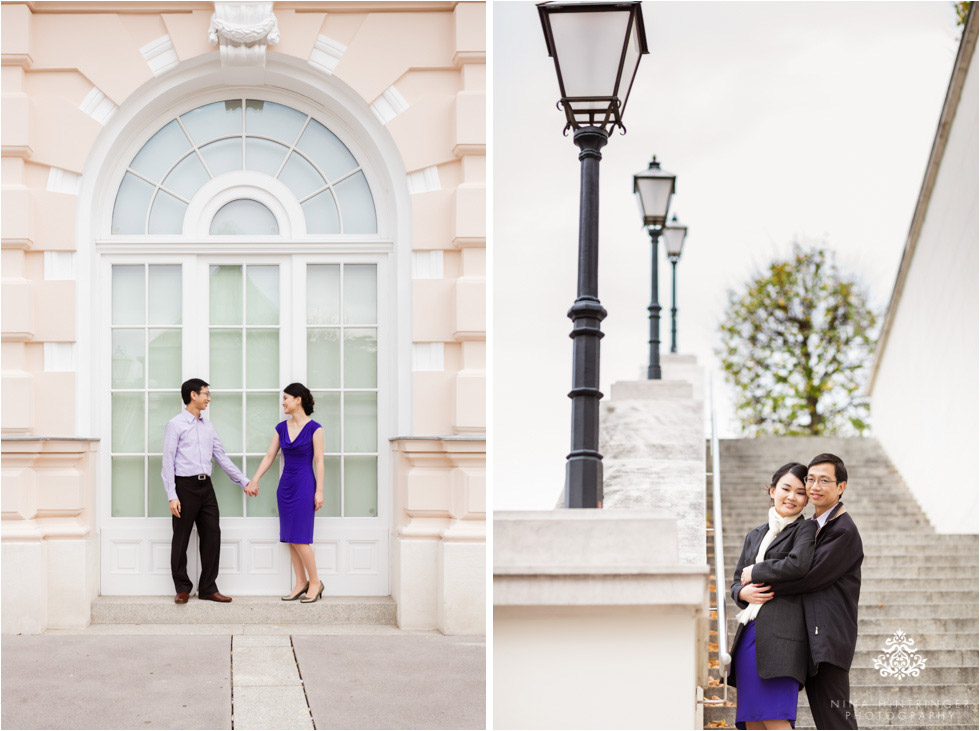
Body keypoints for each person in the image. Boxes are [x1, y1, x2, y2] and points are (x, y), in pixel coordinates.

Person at [751, 453, 863, 730]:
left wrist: (757, 575)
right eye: (811, 479)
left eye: (824, 480)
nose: (815, 486)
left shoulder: (843, 530)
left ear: (841, 487)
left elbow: (809, 577)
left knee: (837, 719)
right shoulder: (815, 525)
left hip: (830, 639)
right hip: (811, 636)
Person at [728, 462, 817, 730]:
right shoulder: (754, 535)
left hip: (783, 639)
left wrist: (756, 571)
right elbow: (735, 582)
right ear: (772, 490)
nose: (791, 497)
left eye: (800, 492)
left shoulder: (806, 530)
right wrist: (742, 591)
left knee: (775, 719)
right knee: (753, 721)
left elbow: (798, 565)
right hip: (749, 633)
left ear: (806, 499)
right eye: (785, 488)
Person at [162, 378, 256, 604]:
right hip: (184, 487)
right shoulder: (175, 425)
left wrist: (243, 481)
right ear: (193, 395)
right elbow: (167, 462)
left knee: (212, 536)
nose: (208, 398)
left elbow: (221, 457)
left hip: (206, 488)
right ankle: (182, 587)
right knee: (181, 538)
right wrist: (172, 495)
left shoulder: (208, 426)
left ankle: (207, 587)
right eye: (205, 393)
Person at [249, 382, 326, 603]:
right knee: (291, 538)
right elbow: (269, 456)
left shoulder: (315, 428)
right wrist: (255, 479)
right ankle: (300, 582)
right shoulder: (281, 427)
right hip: (285, 486)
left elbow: (319, 461)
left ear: (298, 399)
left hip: (304, 484)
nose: (283, 402)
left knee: (301, 538)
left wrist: (319, 490)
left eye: (285, 398)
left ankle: (315, 582)